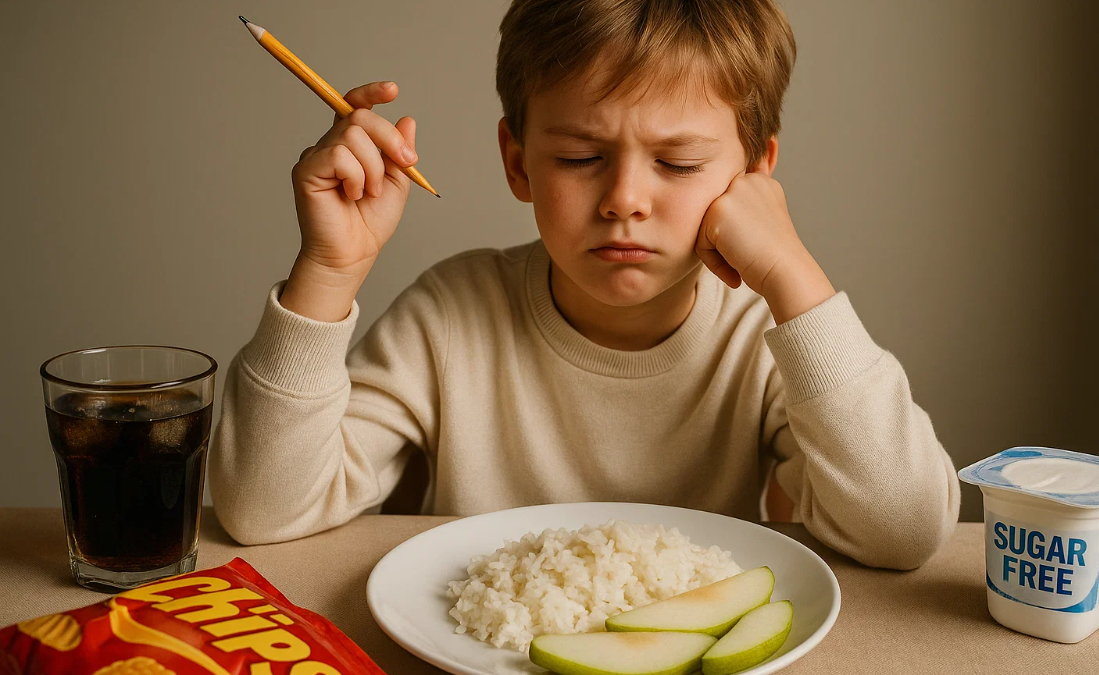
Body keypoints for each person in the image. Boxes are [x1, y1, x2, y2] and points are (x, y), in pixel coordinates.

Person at [211, 0, 960, 570]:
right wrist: (329, 270)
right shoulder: (450, 315)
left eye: (678, 164)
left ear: (755, 174)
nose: (624, 199)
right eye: (578, 157)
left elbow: (904, 530)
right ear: (518, 163)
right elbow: (263, 511)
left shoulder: (764, 338)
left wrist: (796, 277)